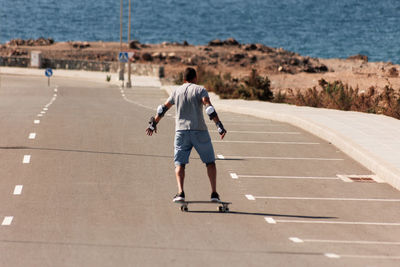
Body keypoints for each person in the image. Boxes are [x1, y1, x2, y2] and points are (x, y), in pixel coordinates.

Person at [146, 67, 227, 202]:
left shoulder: (176, 91)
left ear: (183, 79)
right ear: (195, 78)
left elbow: (162, 109)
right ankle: (214, 193)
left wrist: (153, 123)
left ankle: (180, 192)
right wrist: (219, 125)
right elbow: (209, 108)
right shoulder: (200, 90)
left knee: (180, 164)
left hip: (181, 132)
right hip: (199, 131)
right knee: (210, 163)